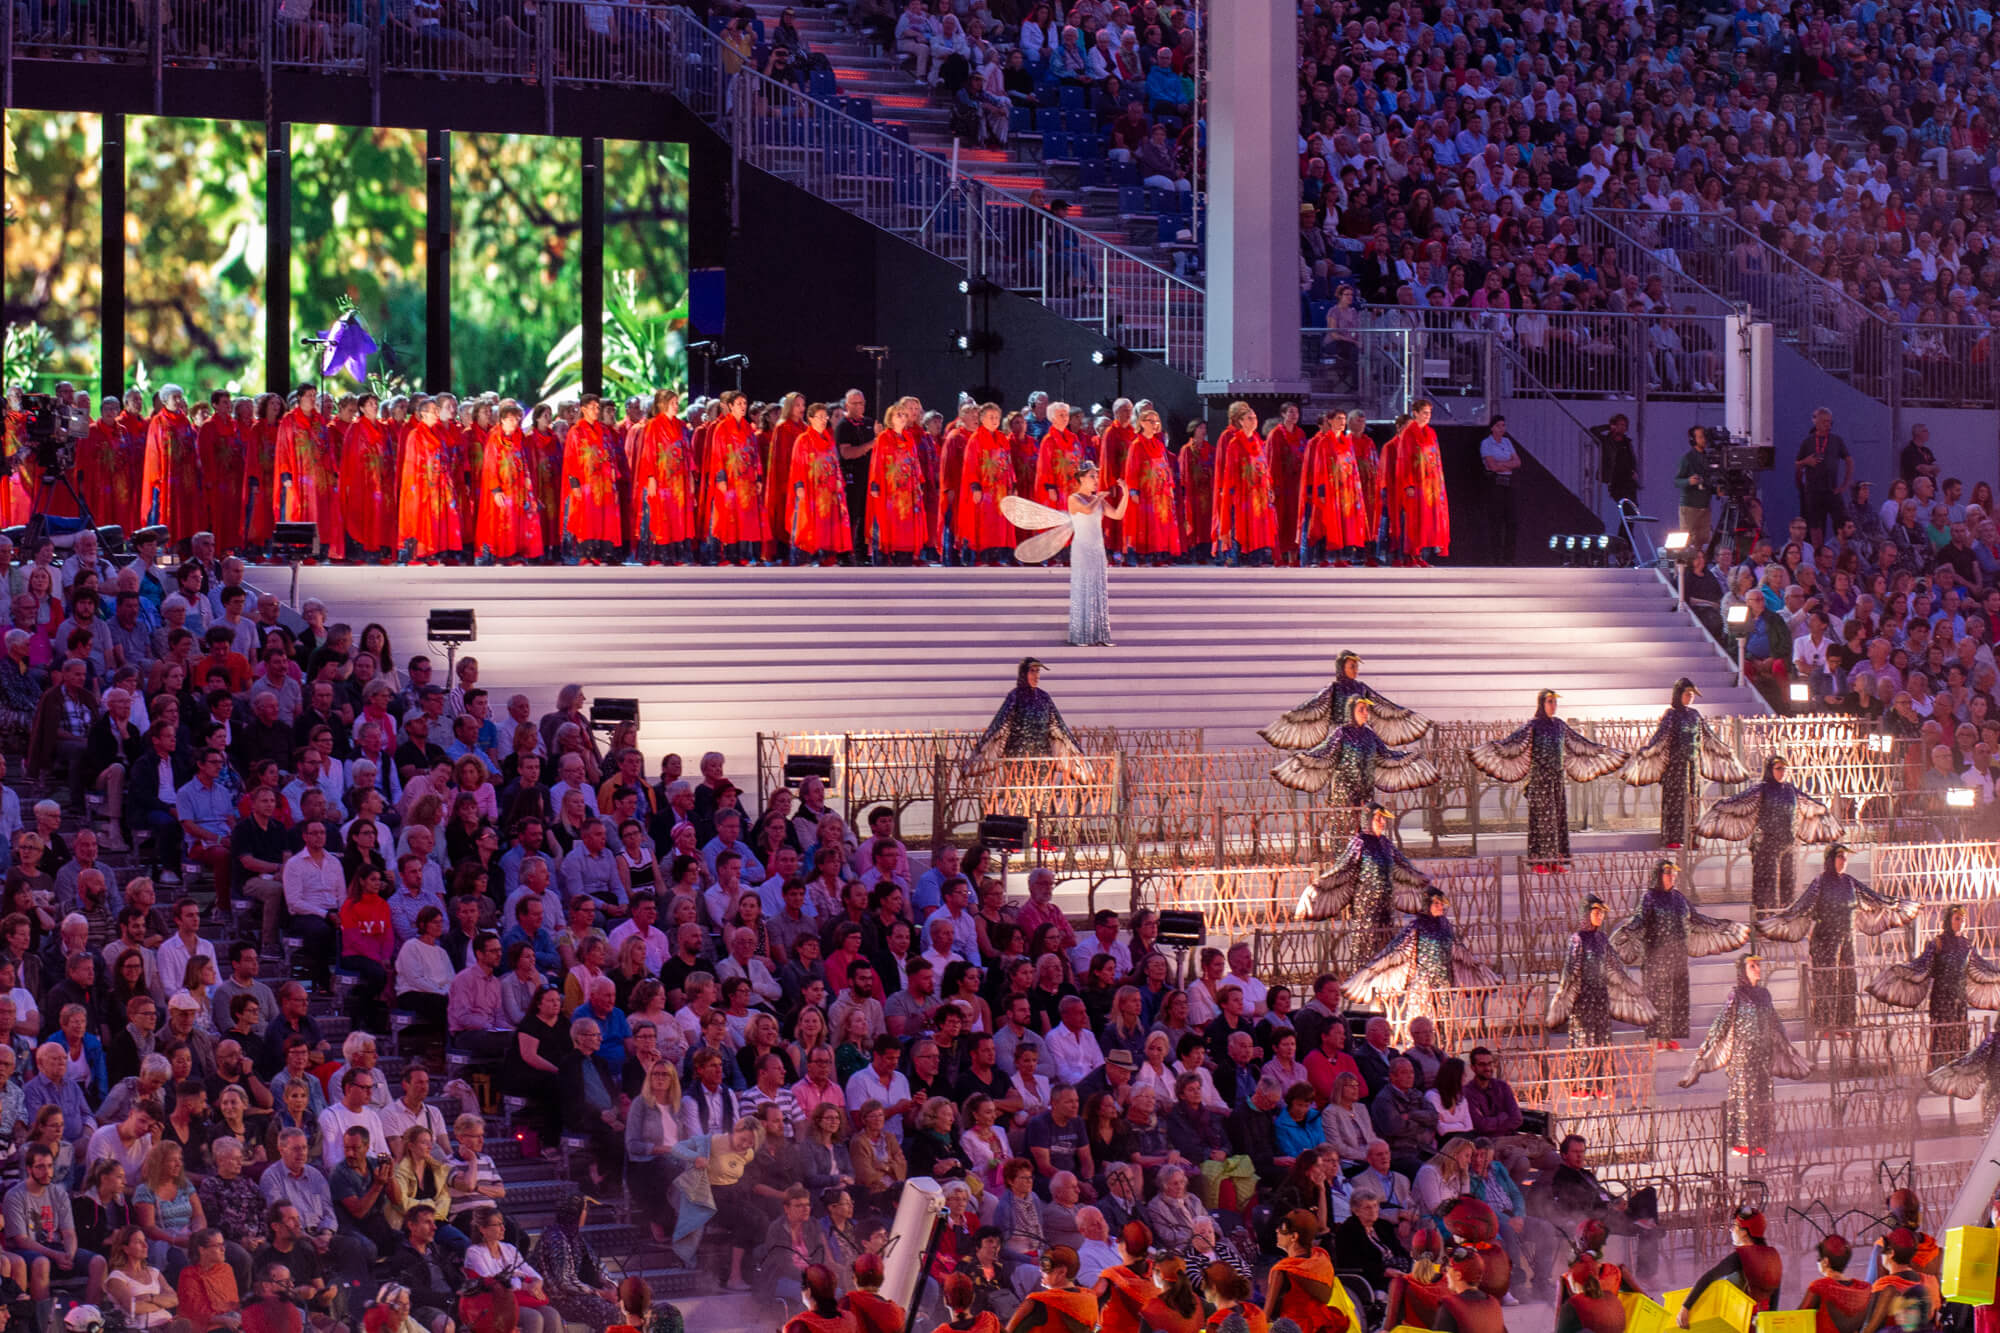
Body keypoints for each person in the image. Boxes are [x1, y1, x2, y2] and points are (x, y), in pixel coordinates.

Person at [1469, 691, 1629, 870]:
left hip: (1556, 780)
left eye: (1555, 702)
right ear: (1542, 703)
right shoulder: (1533, 725)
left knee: (1558, 820)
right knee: (1543, 821)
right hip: (1540, 781)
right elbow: (1511, 745)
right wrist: (1491, 748)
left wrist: (1607, 752)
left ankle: (1555, 861)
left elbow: (1581, 743)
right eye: (1550, 702)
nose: (1554, 705)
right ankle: (1540, 862)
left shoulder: (1560, 725)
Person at [1679, 955, 1812, 1156]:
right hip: (1743, 1059)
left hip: (1763, 1057)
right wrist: (1701, 1056)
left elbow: (1775, 1023)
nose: (1758, 969)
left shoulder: (1765, 995)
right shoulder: (1736, 996)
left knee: (1762, 1097)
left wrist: (1789, 1050)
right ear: (1743, 971)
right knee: (1744, 1099)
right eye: (1752, 966)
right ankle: (1741, 1144)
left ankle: (1758, 1141)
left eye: (1758, 966)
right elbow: (1720, 1026)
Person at [1610, 860, 1751, 1048]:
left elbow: (1698, 920)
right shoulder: (1649, 898)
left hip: (1678, 959)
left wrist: (1727, 926)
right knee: (1658, 997)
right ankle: (1656, 1039)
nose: (1672, 877)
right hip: (1656, 959)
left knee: (1677, 997)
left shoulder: (1679, 898)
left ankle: (1669, 1038)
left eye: (1674, 874)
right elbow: (1639, 922)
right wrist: (1623, 934)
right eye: (1668, 874)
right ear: (1658, 876)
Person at [1004, 462, 1128, 647]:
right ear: (1081, 478)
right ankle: (1081, 635)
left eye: (1096, 476)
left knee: (1098, 588)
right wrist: (1098, 498)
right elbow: (1086, 510)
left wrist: (1125, 494)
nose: (1095, 480)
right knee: (1083, 587)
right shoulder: (1074, 499)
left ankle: (1099, 634)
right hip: (1082, 549)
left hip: (1097, 548)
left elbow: (1117, 515)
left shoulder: (1098, 500)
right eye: (1092, 476)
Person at [1620, 678, 1749, 850]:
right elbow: (1660, 739)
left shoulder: (1695, 714)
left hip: (1692, 766)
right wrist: (1645, 752)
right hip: (1675, 767)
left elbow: (1708, 737)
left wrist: (1726, 751)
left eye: (1692, 695)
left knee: (1692, 801)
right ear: (1678, 694)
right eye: (1687, 694)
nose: (1690, 698)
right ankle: (1673, 838)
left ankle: (1690, 837)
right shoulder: (1671, 715)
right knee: (1676, 801)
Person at [1295, 802, 1430, 962]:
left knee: (1386, 951)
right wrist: (1315, 889)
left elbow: (1405, 867)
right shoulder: (1360, 843)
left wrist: (1427, 889)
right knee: (1368, 952)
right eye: (1378, 818)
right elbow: (1341, 868)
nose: (1382, 822)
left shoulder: (1386, 844)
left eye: (1383, 819)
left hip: (1386, 910)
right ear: (1368, 820)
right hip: (1366, 911)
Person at [1868, 902, 2000, 1064]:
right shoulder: (1938, 943)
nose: (1961, 923)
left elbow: (1982, 966)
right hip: (1941, 999)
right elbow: (1921, 965)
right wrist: (1901, 971)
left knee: (1959, 1033)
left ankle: (1956, 1073)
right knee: (1942, 1034)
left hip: (1959, 999)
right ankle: (1939, 1070)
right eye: (1957, 919)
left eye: (1963, 920)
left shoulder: (1967, 945)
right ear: (1948, 920)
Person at [1269, 695, 1441, 811]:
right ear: (1351, 711)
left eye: (1367, 710)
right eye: (1361, 710)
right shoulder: (1341, 734)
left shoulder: (1370, 734)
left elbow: (1386, 755)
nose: (1366, 714)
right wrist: (1301, 759)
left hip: (1366, 793)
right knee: (1346, 838)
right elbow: (1323, 753)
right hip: (1343, 797)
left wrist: (1410, 757)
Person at [1341, 889, 1497, 1016]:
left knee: (1444, 1019)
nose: (1440, 907)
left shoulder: (1446, 926)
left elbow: (1462, 954)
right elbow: (1391, 954)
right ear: (1426, 905)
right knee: (1423, 1020)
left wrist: (1484, 975)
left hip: (1443, 983)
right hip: (1423, 985)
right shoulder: (1416, 927)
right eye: (1436, 903)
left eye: (1441, 904)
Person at [1547, 896, 1657, 1056]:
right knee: (1585, 1048)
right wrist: (1559, 1004)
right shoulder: (1577, 941)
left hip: (1601, 1004)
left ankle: (1601, 1081)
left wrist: (1636, 992)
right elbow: (1569, 976)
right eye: (1596, 912)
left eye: (1602, 913)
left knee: (1602, 1046)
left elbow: (1617, 970)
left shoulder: (1602, 939)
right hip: (1583, 1007)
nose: (1600, 916)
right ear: (1586, 913)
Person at [1263, 651, 1431, 750]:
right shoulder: (1333, 689)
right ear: (1341, 667)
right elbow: (1307, 708)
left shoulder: (1362, 688)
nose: (1356, 670)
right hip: (1340, 739)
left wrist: (1412, 718)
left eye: (1357, 667)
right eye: (1352, 667)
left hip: (1361, 737)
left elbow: (1386, 706)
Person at [1682, 1206, 1783, 1316]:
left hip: (1740, 1322)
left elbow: (1709, 1278)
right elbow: (1774, 1297)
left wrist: (1686, 1308)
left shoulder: (1743, 1256)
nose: (1731, 1230)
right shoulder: (1772, 1255)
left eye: (1735, 1226)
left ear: (1744, 1232)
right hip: (1761, 1323)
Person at [1383, 400, 1448, 566]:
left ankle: (1420, 555)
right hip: (1415, 485)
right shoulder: (1408, 433)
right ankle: (1410, 555)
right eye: (1424, 412)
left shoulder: (1431, 433)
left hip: (1429, 486)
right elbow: (1404, 460)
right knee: (1413, 521)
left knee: (1426, 521)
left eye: (1429, 413)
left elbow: (1436, 459)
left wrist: (1438, 483)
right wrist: (1408, 484)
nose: (1427, 416)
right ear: (1416, 413)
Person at [974, 659, 1079, 762]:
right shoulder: (1015, 696)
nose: (1036, 676)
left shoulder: (1044, 697)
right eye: (1032, 671)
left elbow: (1058, 726)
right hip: (1018, 757)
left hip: (1042, 758)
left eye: (1038, 671)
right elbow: (998, 725)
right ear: (1024, 674)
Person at [1212, 402, 1276, 567]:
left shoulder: (1258, 441)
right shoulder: (1232, 441)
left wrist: (1269, 487)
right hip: (1242, 493)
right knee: (1238, 526)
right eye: (1249, 418)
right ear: (1239, 420)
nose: (1254, 421)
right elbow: (1227, 469)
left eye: (1255, 418)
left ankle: (1257, 556)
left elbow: (1265, 467)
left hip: (1259, 494)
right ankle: (1233, 558)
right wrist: (1226, 491)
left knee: (1259, 526)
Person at [1265, 1209, 1348, 1332]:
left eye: (1282, 1228)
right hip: (1321, 1325)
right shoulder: (1321, 1260)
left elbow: (1266, 1316)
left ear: (1294, 1236)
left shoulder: (1282, 1270)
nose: (1277, 1231)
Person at [1004, 1245, 1096, 1333]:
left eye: (1045, 1267)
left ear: (1062, 1271)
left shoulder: (1037, 1302)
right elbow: (1097, 1328)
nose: (1040, 1270)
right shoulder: (1090, 1298)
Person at [1795, 406, 1851, 543]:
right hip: (1813, 491)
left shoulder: (1836, 440)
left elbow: (1849, 461)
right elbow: (1797, 464)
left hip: (1832, 489)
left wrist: (1844, 485)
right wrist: (1806, 461)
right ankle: (1817, 556)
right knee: (1815, 526)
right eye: (1825, 421)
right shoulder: (1807, 442)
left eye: (1830, 422)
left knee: (1842, 523)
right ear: (1816, 422)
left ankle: (1842, 554)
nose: (1828, 425)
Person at [1478, 416, 1522, 564]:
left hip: (1508, 483)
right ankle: (1496, 557)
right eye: (1498, 426)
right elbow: (1492, 466)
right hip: (1494, 482)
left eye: (1503, 425)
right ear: (1492, 428)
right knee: (1496, 520)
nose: (1502, 429)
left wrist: (1502, 464)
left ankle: (1509, 557)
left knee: (1512, 521)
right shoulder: (1486, 443)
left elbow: (1517, 462)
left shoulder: (1507, 442)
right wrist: (1505, 464)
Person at [1675, 426, 1715, 554]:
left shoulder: (1709, 458)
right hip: (1690, 507)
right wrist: (1688, 481)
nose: (1704, 440)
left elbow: (1709, 481)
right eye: (1700, 437)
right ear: (1693, 439)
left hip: (1705, 506)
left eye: (1704, 436)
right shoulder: (1687, 458)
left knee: (1703, 540)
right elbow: (1677, 481)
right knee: (1688, 541)